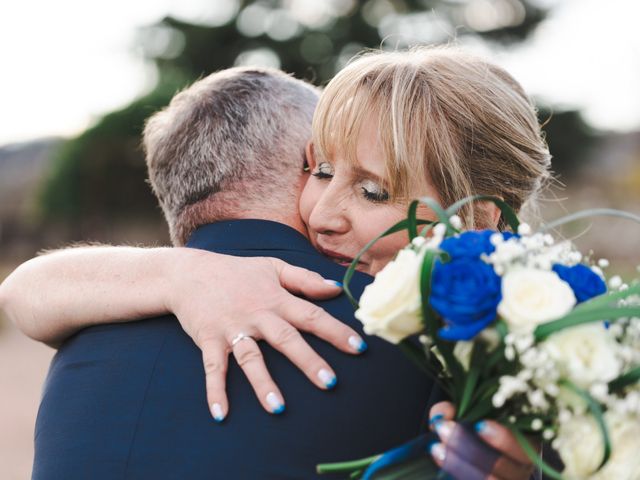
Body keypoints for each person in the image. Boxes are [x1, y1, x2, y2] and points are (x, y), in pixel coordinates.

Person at [0, 46, 551, 479]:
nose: (326, 213)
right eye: (323, 170)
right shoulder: (402, 347)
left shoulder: (87, 339)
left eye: (374, 191)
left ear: (478, 219)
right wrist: (183, 272)